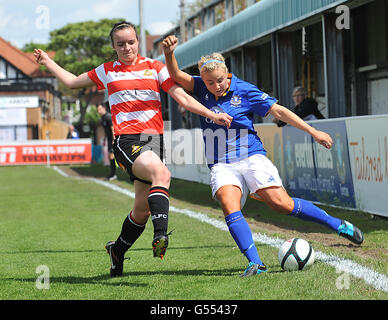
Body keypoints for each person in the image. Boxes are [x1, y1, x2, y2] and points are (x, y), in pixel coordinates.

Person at [34, 21, 232, 277]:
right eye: (120, 44)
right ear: (114, 47)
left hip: (153, 140)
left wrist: (210, 114)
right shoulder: (107, 71)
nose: (127, 47)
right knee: (163, 175)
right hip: (127, 140)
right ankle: (160, 236)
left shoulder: (155, 68)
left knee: (142, 210)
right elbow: (72, 82)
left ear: (138, 42)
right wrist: (48, 61)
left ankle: (116, 251)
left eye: (131, 42)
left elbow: (181, 96)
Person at [162, 35, 364, 277]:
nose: (215, 86)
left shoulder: (244, 90)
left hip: (251, 156)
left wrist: (313, 131)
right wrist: (169, 53)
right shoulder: (200, 87)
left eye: (219, 81)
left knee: (282, 204)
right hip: (221, 164)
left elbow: (278, 111)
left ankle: (338, 225)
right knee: (229, 204)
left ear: (227, 75)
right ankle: (255, 263)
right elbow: (175, 75)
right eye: (209, 83)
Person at [96, 103, 117, 181]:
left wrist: (113, 138)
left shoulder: (108, 117)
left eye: (100, 109)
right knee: (110, 156)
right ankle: (112, 173)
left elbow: (112, 128)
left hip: (112, 139)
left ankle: (113, 174)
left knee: (111, 156)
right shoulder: (103, 118)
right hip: (108, 139)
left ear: (104, 108)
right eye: (98, 110)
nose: (99, 111)